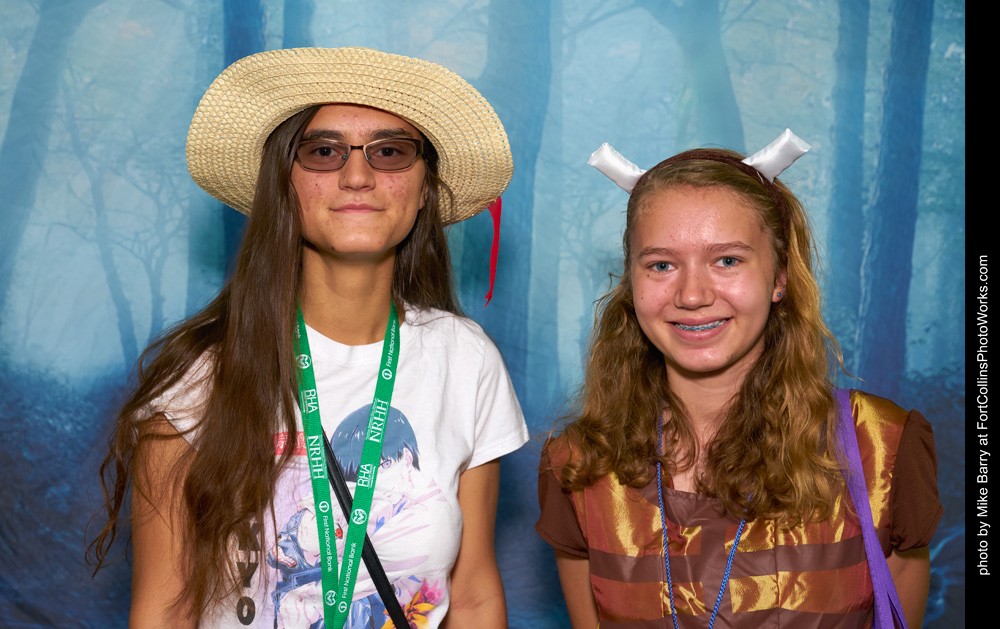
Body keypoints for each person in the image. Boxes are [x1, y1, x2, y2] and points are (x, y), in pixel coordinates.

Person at [87, 46, 529, 629]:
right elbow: (163, 614)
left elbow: (472, 596)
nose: (357, 176)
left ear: (424, 188)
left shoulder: (466, 359)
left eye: (390, 152)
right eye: (323, 152)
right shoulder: (199, 376)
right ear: (283, 184)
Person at [535, 131, 942, 628]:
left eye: (727, 260)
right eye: (661, 264)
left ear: (779, 277)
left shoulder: (882, 449)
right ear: (632, 282)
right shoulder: (579, 468)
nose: (692, 295)